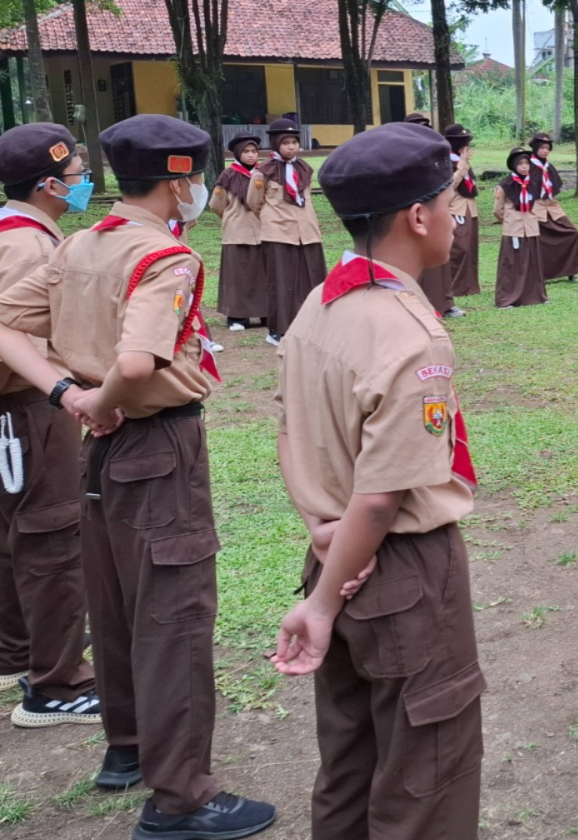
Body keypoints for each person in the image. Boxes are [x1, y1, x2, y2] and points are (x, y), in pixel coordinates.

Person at [0, 113, 276, 839]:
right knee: (174, 612)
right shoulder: (164, 257)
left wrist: (67, 396)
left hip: (99, 451)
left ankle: (126, 750)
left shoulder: (81, 245)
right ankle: (182, 796)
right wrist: (99, 400)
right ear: (181, 177)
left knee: (116, 597)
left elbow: (4, 322)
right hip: (155, 440)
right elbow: (135, 364)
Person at [270, 121, 484, 840]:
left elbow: (289, 432)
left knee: (350, 763)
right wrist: (325, 604)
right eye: (450, 200)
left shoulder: (320, 303)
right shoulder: (409, 334)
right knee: (426, 774)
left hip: (333, 549)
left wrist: (324, 545)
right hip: (396, 570)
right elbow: (385, 493)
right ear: (417, 217)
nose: (457, 215)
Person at [0, 123, 99, 729]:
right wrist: (64, 388)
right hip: (31, 410)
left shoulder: (13, 232)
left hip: (18, 413)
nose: (83, 185)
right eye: (75, 177)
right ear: (48, 186)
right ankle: (57, 683)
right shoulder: (30, 249)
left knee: (13, 532)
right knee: (53, 539)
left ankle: (17, 651)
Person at [249, 117, 325, 346]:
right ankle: (278, 330)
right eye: (286, 142)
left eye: (294, 141)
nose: (292, 146)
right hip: (278, 233)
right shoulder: (263, 172)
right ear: (275, 144)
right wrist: (274, 219)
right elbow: (254, 202)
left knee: (311, 279)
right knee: (281, 282)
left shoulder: (304, 168)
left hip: (308, 232)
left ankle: (314, 325)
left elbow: (307, 197)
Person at [210, 135, 269, 331]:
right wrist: (233, 218)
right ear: (237, 153)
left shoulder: (263, 173)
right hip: (237, 232)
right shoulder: (227, 175)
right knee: (238, 275)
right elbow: (217, 205)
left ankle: (266, 314)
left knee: (264, 274)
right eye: (246, 151)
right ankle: (238, 317)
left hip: (264, 230)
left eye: (254, 151)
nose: (251, 155)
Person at [527, 132, 578, 286]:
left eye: (547, 148)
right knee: (540, 240)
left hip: (552, 206)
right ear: (535, 148)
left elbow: (555, 185)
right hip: (536, 207)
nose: (545, 151)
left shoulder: (548, 166)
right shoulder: (528, 165)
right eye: (541, 148)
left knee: (572, 233)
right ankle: (542, 274)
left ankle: (571, 270)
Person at [491, 148, 547, 308]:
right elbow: (497, 210)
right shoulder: (505, 185)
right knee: (511, 264)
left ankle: (535, 295)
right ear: (513, 165)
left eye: (526, 163)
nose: (524, 167)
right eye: (520, 163)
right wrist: (509, 221)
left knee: (532, 262)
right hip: (513, 228)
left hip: (530, 227)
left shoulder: (533, 182)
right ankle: (506, 299)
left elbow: (535, 203)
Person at [437, 124, 481, 316]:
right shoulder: (447, 161)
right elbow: (451, 184)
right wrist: (462, 165)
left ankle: (467, 286)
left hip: (469, 208)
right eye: (463, 144)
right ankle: (453, 285)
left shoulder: (462, 161)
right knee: (458, 248)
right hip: (455, 208)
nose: (467, 148)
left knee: (470, 248)